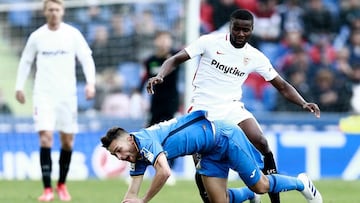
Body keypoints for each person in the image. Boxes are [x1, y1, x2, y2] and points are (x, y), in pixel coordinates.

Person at [146, 9, 321, 203]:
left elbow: (282, 85)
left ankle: (276, 200)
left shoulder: (255, 56)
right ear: (231, 27)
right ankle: (249, 195)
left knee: (261, 142)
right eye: (236, 29)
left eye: (245, 30)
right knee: (209, 187)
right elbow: (175, 59)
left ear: (252, 30)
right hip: (202, 113)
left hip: (232, 109)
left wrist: (304, 102)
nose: (240, 33)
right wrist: (160, 75)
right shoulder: (209, 42)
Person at [100, 110, 323, 203]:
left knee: (262, 185)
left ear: (129, 138)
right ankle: (250, 196)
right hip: (208, 151)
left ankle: (301, 182)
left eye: (118, 150)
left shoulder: (144, 141)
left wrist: (144, 201)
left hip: (225, 137)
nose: (119, 156)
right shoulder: (136, 156)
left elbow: (165, 172)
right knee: (220, 201)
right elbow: (132, 193)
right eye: (114, 155)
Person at [14, 0, 96, 201]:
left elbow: (86, 58)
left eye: (57, 9)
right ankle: (47, 189)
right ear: (45, 12)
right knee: (45, 137)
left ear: (62, 11)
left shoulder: (72, 34)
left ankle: (62, 184)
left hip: (67, 96)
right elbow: (26, 61)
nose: (54, 13)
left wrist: (90, 83)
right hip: (43, 95)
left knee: (67, 141)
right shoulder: (37, 36)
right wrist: (18, 86)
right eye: (50, 9)